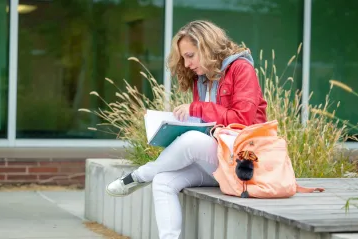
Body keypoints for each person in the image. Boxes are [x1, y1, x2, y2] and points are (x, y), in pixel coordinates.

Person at [106, 20, 267, 239]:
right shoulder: (201, 79)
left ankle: (139, 175)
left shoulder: (241, 68)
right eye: (183, 57)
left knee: (191, 140)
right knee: (163, 181)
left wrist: (198, 108)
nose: (187, 63)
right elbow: (207, 126)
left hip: (243, 162)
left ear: (207, 47)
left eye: (190, 55)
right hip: (218, 161)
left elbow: (243, 119)